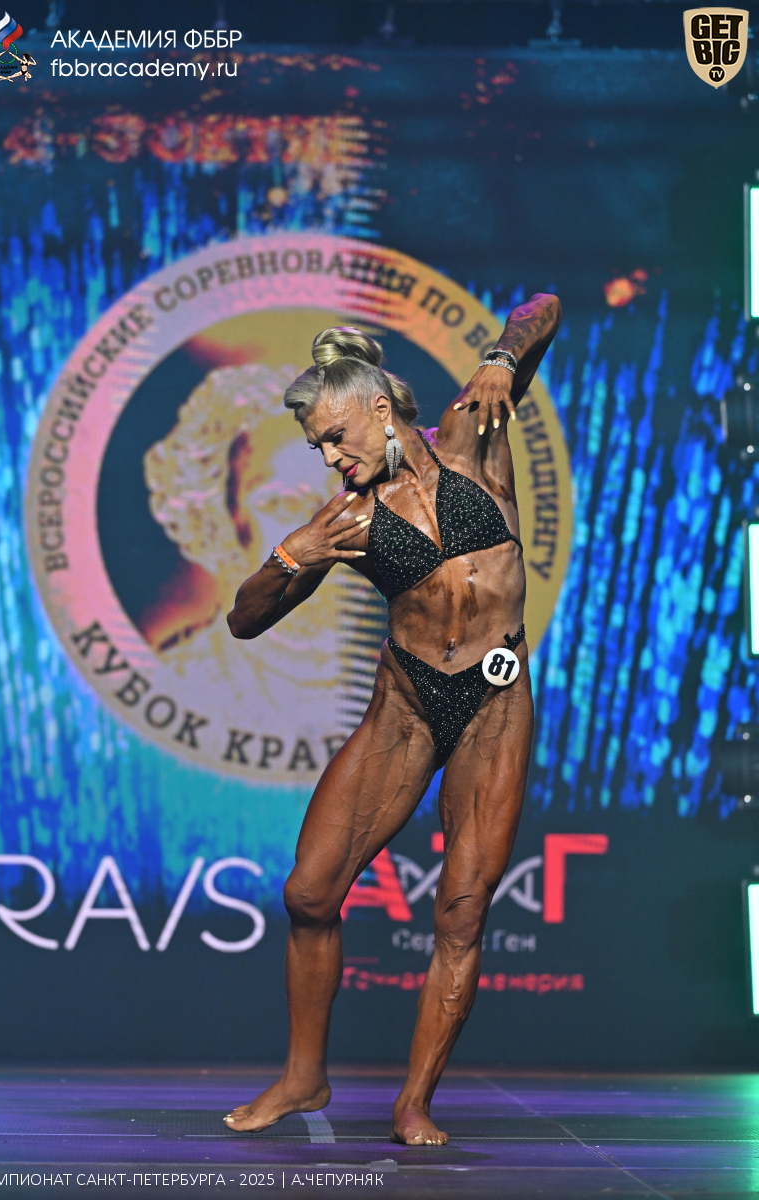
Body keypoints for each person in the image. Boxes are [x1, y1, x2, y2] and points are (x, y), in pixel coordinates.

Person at [225, 294, 562, 1146]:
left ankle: (414, 1103)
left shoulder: (474, 435)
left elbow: (544, 308)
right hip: (407, 707)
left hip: (493, 705)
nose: (329, 458)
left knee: (462, 911)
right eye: (317, 447)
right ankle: (304, 1077)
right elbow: (245, 620)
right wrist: (288, 556)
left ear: (380, 410)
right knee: (309, 892)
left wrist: (502, 356)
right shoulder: (344, 520)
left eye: (336, 438)